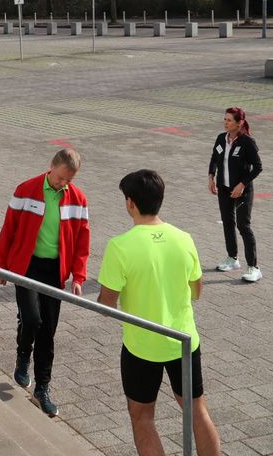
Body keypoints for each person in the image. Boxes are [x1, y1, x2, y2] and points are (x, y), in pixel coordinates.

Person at [98, 170, 221, 456]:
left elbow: (106, 305)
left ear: (130, 203)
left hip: (142, 347)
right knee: (197, 410)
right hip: (184, 341)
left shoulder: (120, 246)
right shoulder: (183, 238)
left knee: (142, 417)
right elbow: (197, 291)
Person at [0, 148, 89, 416]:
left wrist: (78, 276)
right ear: (52, 167)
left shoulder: (78, 199)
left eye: (68, 181)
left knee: (48, 331)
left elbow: (83, 242)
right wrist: (3, 267)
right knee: (32, 319)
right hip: (26, 267)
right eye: (60, 179)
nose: (63, 184)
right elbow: (8, 228)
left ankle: (42, 388)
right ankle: (23, 355)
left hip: (54, 270)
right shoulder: (26, 190)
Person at [207, 107, 263, 282]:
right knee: (228, 222)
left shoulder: (247, 142)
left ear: (239, 123)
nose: (225, 123)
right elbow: (214, 159)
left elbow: (258, 167)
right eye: (224, 119)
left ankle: (254, 268)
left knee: (243, 225)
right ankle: (232, 258)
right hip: (224, 188)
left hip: (242, 191)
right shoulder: (221, 139)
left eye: (229, 120)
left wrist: (242, 184)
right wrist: (211, 176)